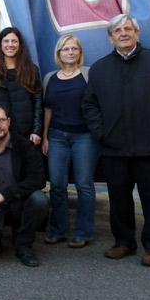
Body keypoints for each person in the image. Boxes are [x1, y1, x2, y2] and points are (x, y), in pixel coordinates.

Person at [82, 13, 150, 267]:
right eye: (117, 31)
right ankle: (124, 242)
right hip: (114, 147)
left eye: (128, 29)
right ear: (110, 38)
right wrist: (102, 132)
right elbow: (89, 105)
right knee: (118, 198)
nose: (124, 33)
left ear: (137, 33)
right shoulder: (99, 69)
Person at [0, 102, 48, 267]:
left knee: (40, 199)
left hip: (19, 201)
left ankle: (24, 245)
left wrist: (5, 195)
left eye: (2, 120)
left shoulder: (25, 145)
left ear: (9, 121)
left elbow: (38, 179)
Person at [41, 34, 96, 249]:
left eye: (74, 49)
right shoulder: (49, 78)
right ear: (59, 53)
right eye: (66, 49)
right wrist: (45, 136)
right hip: (56, 137)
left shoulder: (88, 75)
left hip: (84, 137)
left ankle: (83, 233)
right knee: (56, 185)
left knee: (84, 186)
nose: (70, 52)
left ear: (80, 52)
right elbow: (48, 110)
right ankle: (59, 231)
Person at [0, 27, 43, 145]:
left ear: (20, 45)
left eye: (14, 41)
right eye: (6, 41)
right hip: (0, 133)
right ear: (0, 45)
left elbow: (38, 102)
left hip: (27, 134)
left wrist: (37, 131)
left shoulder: (31, 70)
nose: (10, 45)